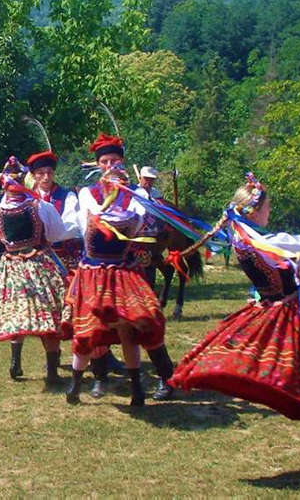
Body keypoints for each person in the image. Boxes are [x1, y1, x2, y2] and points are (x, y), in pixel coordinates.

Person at [168, 174, 300, 470]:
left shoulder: (243, 240)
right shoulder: (266, 241)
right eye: (267, 207)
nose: (270, 212)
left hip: (272, 309)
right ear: (254, 210)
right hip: (294, 314)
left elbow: (297, 255)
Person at [63, 133, 176, 407]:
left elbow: (140, 224)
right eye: (105, 161)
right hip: (94, 272)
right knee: (90, 330)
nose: (110, 164)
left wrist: (126, 199)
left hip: (125, 271)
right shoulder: (88, 194)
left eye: (114, 160)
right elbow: (94, 220)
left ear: (122, 161)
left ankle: (152, 383)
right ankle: (80, 383)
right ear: (98, 164)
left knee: (138, 324)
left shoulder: (136, 194)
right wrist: (115, 201)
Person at [0, 156, 74, 385]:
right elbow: (56, 234)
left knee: (17, 313)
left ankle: (16, 362)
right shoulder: (39, 206)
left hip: (11, 266)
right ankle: (53, 373)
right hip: (39, 264)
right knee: (50, 314)